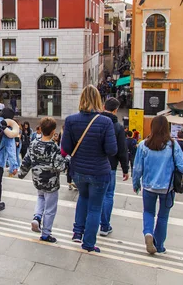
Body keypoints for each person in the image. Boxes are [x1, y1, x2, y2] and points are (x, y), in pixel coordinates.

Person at [61, 85, 117, 253]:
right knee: (95, 207)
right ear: (98, 100)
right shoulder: (106, 122)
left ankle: (78, 231)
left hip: (78, 171)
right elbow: (112, 150)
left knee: (83, 198)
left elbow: (66, 148)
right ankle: (89, 243)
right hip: (99, 172)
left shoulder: (70, 120)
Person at [133, 115, 183, 255]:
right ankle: (160, 245)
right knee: (163, 217)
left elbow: (137, 168)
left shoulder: (143, 145)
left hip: (148, 186)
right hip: (167, 188)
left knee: (148, 212)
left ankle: (148, 233)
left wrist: (136, 183)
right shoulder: (173, 145)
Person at [18, 117, 66, 243]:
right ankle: (46, 234)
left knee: (40, 198)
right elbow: (59, 166)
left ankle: (37, 217)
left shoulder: (34, 143)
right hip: (51, 183)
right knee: (50, 208)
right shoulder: (53, 147)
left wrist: (21, 173)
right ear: (52, 132)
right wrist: (68, 160)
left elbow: (26, 160)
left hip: (37, 180)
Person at [100, 98, 130, 237]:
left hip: (94, 164)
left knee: (94, 195)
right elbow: (122, 150)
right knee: (108, 195)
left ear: (104, 106)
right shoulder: (117, 127)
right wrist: (125, 169)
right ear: (116, 110)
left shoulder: (95, 121)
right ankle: (105, 226)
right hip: (110, 166)